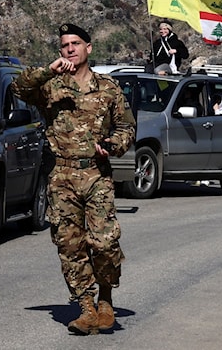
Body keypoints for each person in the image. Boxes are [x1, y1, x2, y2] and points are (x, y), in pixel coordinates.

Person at [11, 23, 136, 335]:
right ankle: (86, 308)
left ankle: (106, 298)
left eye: (76, 43)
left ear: (88, 48)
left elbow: (127, 128)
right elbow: (18, 88)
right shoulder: (51, 88)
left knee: (105, 242)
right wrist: (48, 71)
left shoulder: (108, 88)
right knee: (70, 246)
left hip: (96, 174)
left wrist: (112, 146)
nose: (69, 49)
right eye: (64, 45)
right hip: (63, 175)